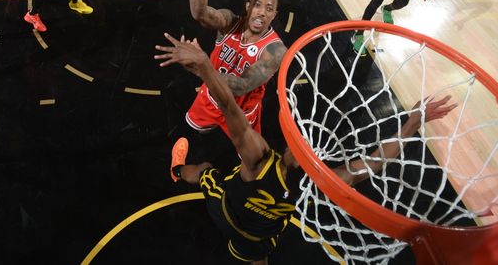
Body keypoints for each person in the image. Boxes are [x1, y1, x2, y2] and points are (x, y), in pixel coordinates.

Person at [156, 33, 456, 265]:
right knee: (258, 255)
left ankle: (177, 170)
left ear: (290, 144)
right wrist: (412, 123)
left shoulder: (259, 159)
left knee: (207, 170)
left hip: (224, 208)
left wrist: (207, 67)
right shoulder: (318, 180)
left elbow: (230, 109)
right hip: (259, 236)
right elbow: (374, 163)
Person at [183, 0, 286, 137]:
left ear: (274, 15)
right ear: (248, 7)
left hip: (240, 114)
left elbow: (243, 86)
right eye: (257, 5)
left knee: (249, 162)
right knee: (196, 140)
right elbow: (200, 12)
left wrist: (203, 67)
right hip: (211, 100)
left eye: (269, 9)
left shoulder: (275, 50)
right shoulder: (229, 22)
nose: (262, 12)